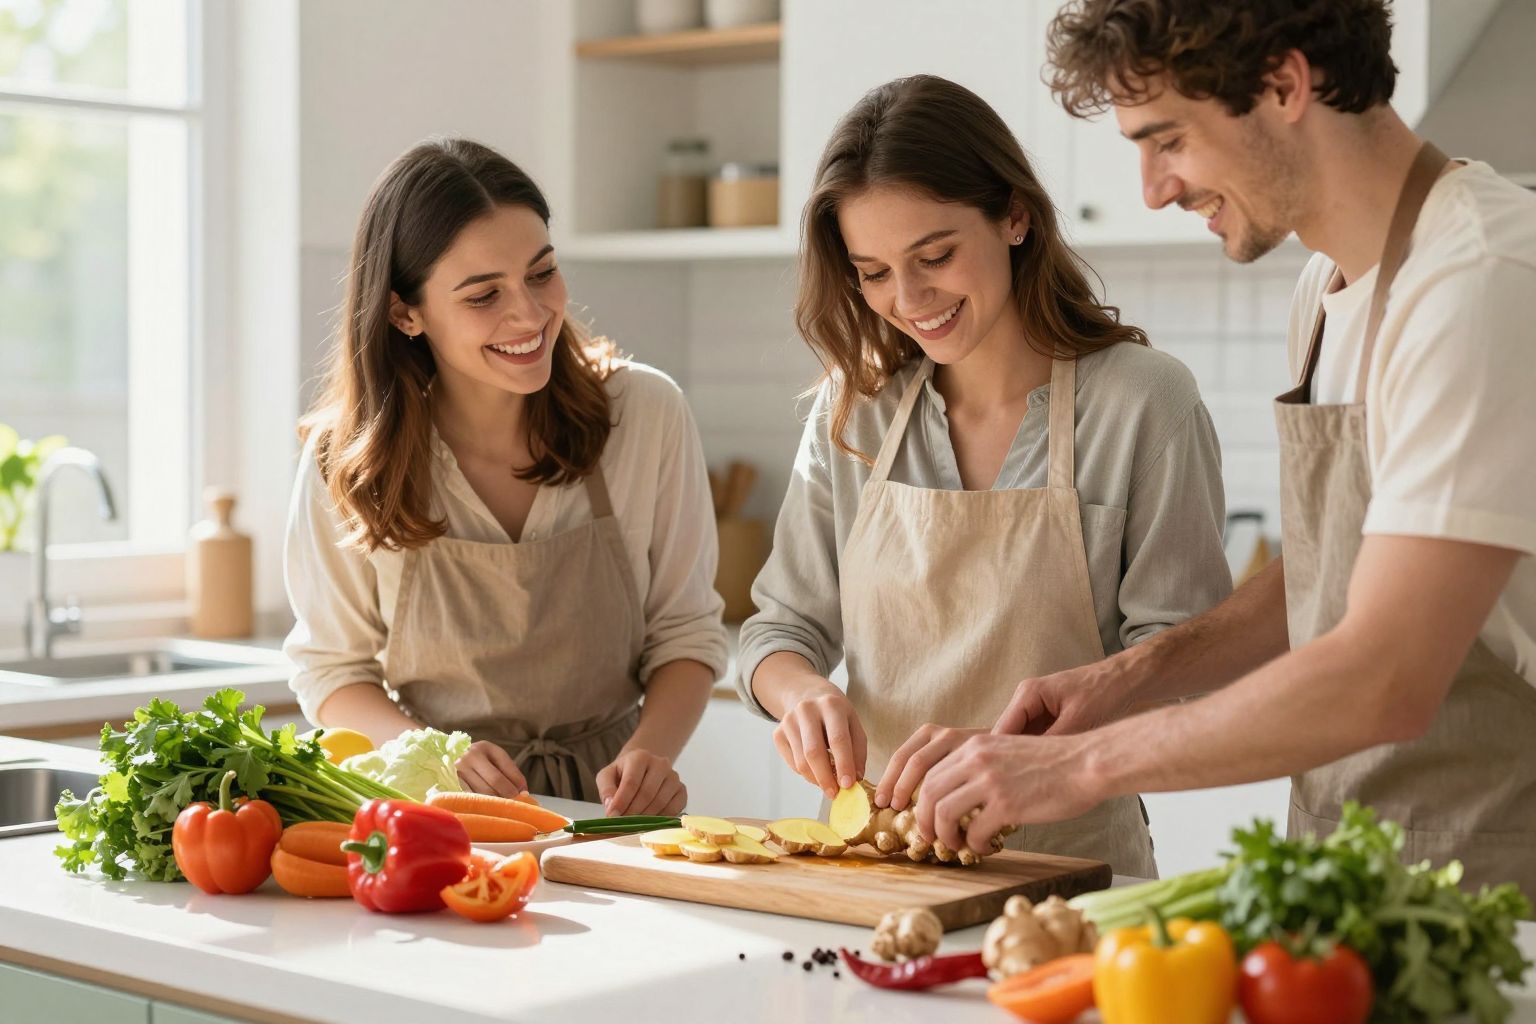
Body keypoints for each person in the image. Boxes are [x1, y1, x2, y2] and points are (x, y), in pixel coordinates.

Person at [916, 0, 1536, 896]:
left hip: (1501, 874)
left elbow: (1387, 675)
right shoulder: (1327, 290)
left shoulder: (1479, 282)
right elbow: (1335, 575)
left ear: (1284, 85)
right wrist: (1124, 679)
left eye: (1168, 140)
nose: (1153, 189)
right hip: (1358, 860)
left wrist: (1082, 765)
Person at [737, 75, 1232, 876]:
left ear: (1015, 216)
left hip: (1069, 871)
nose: (909, 298)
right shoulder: (855, 412)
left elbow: (1182, 664)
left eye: (935, 256)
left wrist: (1039, 752)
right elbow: (776, 631)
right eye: (873, 271)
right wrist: (801, 694)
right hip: (874, 868)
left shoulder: (1143, 402)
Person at [283, 139, 727, 816]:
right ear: (405, 313)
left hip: (612, 815)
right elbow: (332, 671)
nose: (530, 313)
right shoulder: (344, 459)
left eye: (541, 273)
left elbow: (687, 633)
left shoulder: (645, 414)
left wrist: (650, 756)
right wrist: (436, 756)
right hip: (440, 815)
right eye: (484, 295)